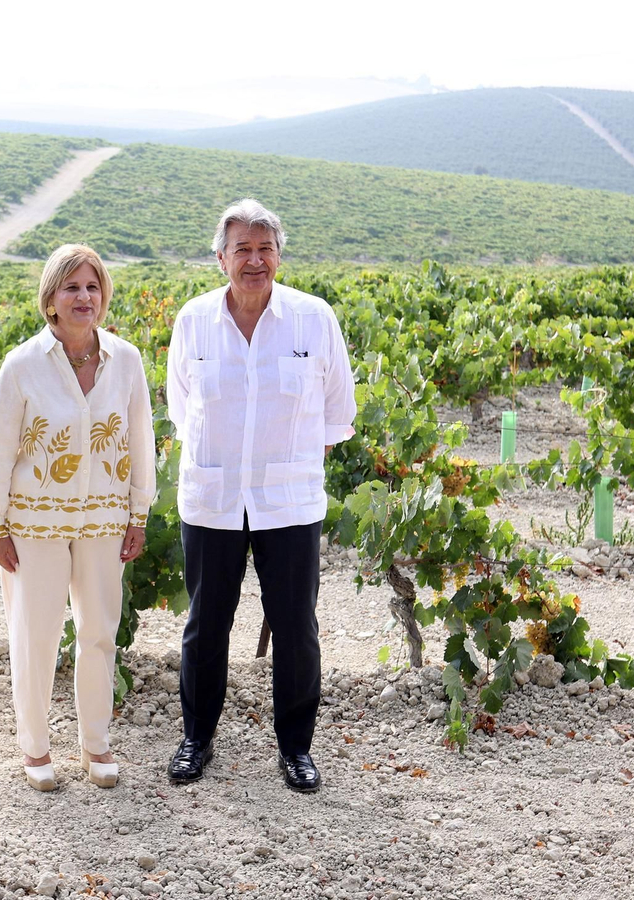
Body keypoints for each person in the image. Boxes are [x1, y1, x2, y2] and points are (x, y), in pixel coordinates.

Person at [165, 199, 357, 793]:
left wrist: (293, 463)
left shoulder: (314, 318)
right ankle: (197, 738)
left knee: (296, 627)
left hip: (289, 504)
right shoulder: (193, 320)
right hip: (213, 498)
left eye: (265, 248)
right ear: (220, 258)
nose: (255, 260)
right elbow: (180, 406)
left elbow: (337, 412)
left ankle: (296, 748)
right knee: (206, 625)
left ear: (279, 256)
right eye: (242, 249)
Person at [0, 243, 154, 792]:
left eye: (93, 286)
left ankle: (95, 744)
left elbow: (142, 440)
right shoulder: (23, 365)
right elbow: (0, 452)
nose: (84, 296)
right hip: (35, 524)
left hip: (104, 519)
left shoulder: (126, 361)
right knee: (36, 635)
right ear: (51, 299)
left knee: (100, 631)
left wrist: (139, 512)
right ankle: (35, 748)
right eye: (72, 287)